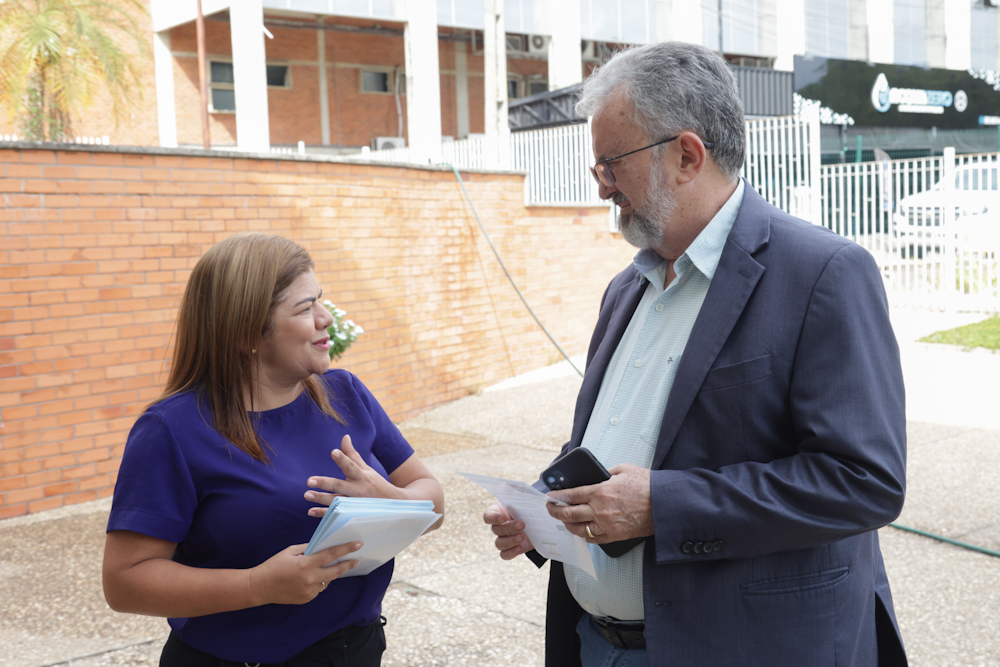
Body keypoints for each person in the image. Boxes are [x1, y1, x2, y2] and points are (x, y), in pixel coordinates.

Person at [484, 41, 907, 667]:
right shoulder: (628, 287)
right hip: (596, 644)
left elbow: (864, 481)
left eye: (611, 163)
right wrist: (544, 508)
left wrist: (662, 506)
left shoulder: (822, 273)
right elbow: (620, 436)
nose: (601, 186)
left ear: (686, 155)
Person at [103, 233, 445, 666]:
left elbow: (430, 495)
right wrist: (257, 586)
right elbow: (124, 582)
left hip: (354, 649)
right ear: (247, 331)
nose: (326, 317)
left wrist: (395, 502)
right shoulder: (171, 430)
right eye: (304, 308)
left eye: (321, 300)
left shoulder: (346, 393)